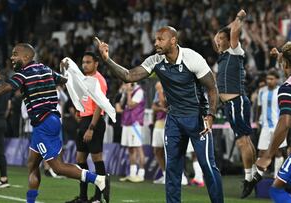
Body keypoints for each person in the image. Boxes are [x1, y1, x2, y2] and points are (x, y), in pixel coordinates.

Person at [0, 43, 110, 203]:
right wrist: (67, 71)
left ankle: (99, 180)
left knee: (57, 167)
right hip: (47, 122)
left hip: (44, 123)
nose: (12, 58)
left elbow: (0, 89)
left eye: (15, 54)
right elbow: (64, 80)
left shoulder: (23, 75)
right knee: (32, 164)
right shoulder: (45, 69)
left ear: (26, 57)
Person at [95, 26, 223, 203]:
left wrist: (210, 116)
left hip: (197, 118)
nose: (155, 43)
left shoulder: (192, 58)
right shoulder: (155, 60)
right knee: (172, 169)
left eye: (160, 39)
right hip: (174, 120)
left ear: (173, 40)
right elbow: (129, 76)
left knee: (208, 166)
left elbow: (212, 88)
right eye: (155, 39)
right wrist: (107, 59)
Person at [255, 41, 291, 203]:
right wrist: (280, 55)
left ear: (285, 63)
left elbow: (285, 122)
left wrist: (268, 155)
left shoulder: (288, 87)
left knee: (276, 189)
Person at [213, 9, 257, 198]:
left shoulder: (234, 49)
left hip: (236, 101)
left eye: (220, 38)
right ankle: (253, 174)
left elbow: (234, 32)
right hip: (230, 104)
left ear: (228, 39)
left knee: (242, 141)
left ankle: (249, 178)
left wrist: (238, 18)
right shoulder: (222, 57)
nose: (217, 41)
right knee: (245, 139)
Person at [66, 52, 108, 203]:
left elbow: (99, 106)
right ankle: (83, 197)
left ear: (96, 63)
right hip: (84, 120)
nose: (85, 65)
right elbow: (85, 99)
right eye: (83, 62)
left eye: (88, 62)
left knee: (97, 159)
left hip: (94, 122)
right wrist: (79, 110)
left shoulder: (99, 80)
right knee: (80, 159)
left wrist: (91, 128)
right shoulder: (84, 79)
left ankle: (97, 198)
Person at [256, 69, 286, 177]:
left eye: (272, 79)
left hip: (277, 125)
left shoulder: (281, 91)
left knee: (278, 151)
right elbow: (259, 107)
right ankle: (258, 177)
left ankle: (277, 176)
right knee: (261, 152)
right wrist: (257, 120)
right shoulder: (262, 91)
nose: (269, 81)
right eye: (268, 78)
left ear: (277, 80)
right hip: (265, 126)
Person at [119, 82, 146, 183]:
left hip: (135, 124)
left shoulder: (139, 92)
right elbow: (121, 105)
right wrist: (124, 93)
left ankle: (141, 174)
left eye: (127, 84)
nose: (125, 85)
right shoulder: (128, 92)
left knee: (138, 148)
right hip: (127, 123)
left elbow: (130, 105)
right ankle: (132, 174)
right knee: (130, 149)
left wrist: (129, 93)